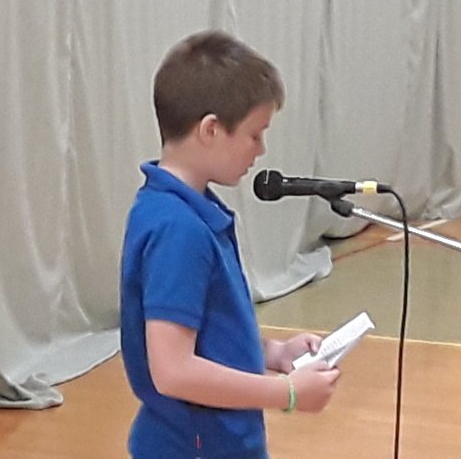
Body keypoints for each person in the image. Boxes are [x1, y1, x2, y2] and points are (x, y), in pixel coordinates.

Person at [119, 30, 341, 458]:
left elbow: (208, 336)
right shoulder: (178, 229)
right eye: (255, 134)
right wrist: (287, 393)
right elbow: (173, 370)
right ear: (211, 130)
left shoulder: (188, 210)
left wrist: (274, 352)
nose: (261, 150)